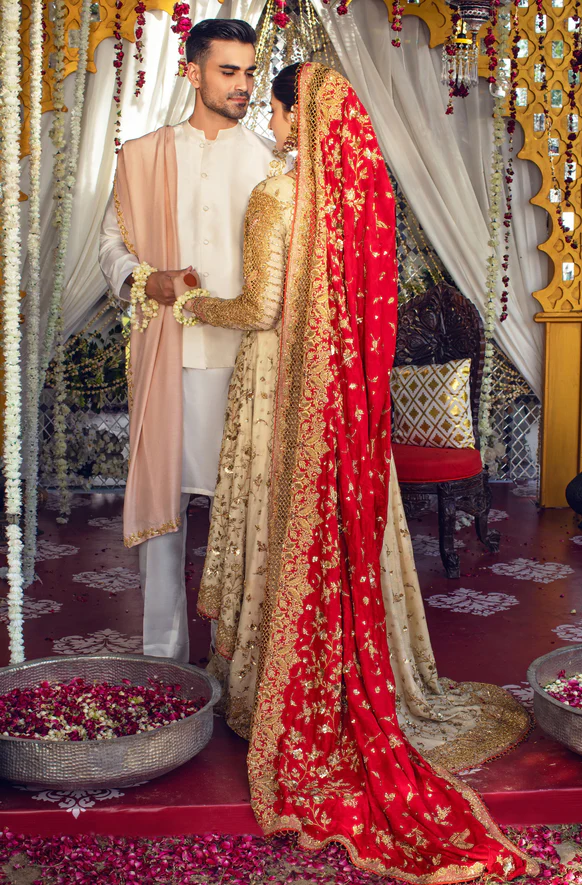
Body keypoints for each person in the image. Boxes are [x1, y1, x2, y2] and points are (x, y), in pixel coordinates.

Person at [179, 62, 538, 881]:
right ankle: (377, 680)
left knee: (274, 519)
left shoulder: (276, 195)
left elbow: (261, 310)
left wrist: (189, 303)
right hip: (340, 399)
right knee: (338, 528)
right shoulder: (352, 202)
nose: (272, 122)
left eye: (277, 110)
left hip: (278, 390)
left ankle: (264, 689)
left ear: (295, 115)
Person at [98, 19, 274, 662]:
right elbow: (110, 244)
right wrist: (145, 279)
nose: (243, 85)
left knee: (245, 511)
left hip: (247, 362)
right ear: (193, 72)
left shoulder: (271, 161)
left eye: (249, 72)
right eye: (229, 71)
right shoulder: (144, 156)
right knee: (162, 505)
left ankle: (239, 661)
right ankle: (161, 654)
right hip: (167, 353)